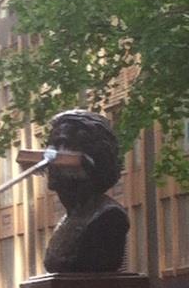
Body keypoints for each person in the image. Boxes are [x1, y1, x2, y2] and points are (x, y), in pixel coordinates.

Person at [43, 109, 130, 274]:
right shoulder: (67, 221)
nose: (52, 158)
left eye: (66, 145)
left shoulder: (108, 216)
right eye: (53, 145)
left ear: (93, 159)